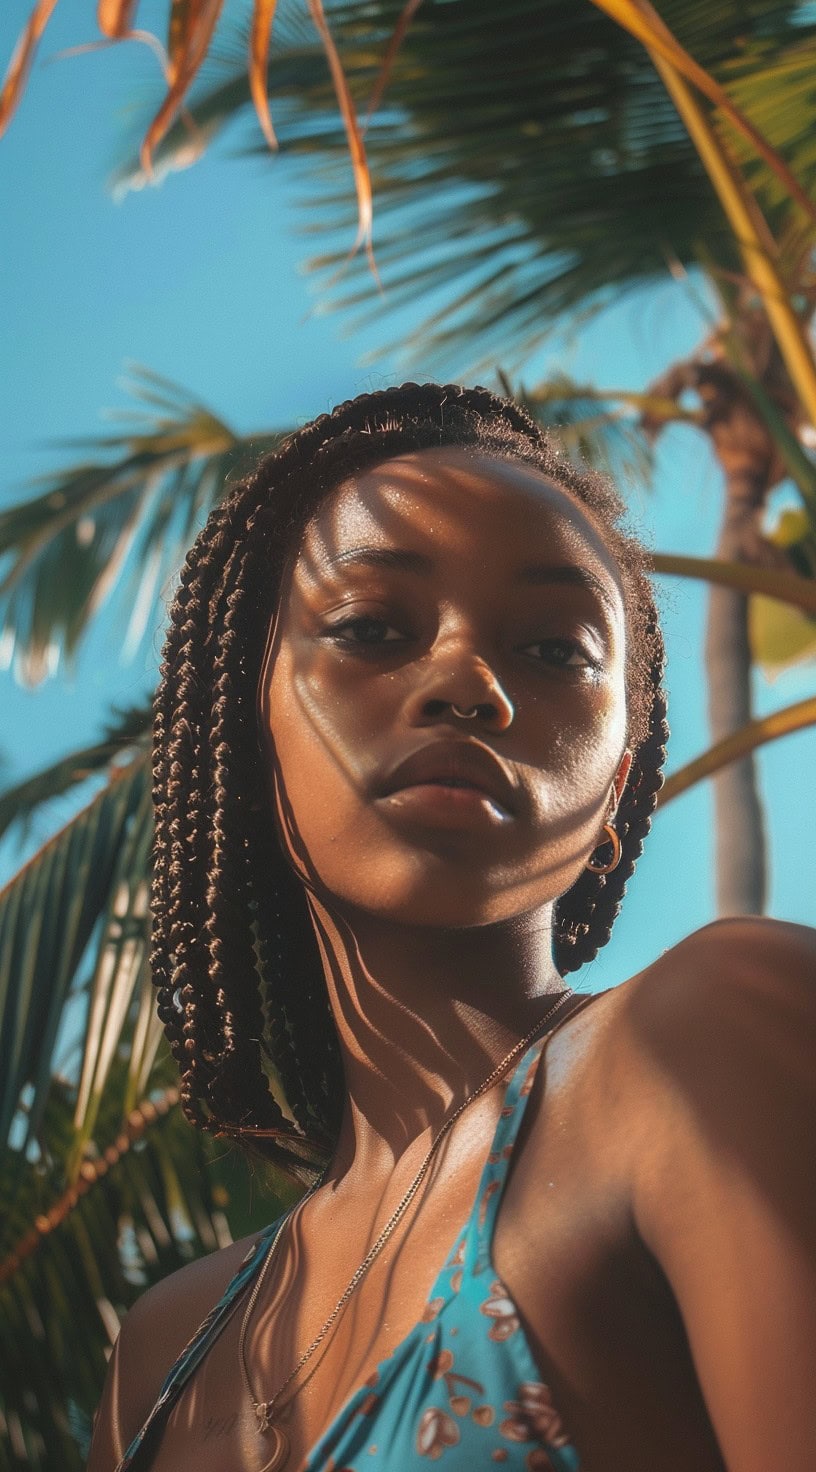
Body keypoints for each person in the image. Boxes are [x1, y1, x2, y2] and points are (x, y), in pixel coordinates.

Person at [88, 383, 815, 1472]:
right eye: (375, 628)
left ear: (618, 795)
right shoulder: (165, 1350)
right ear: (252, 728)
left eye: (556, 650)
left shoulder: (708, 1042)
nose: (468, 680)